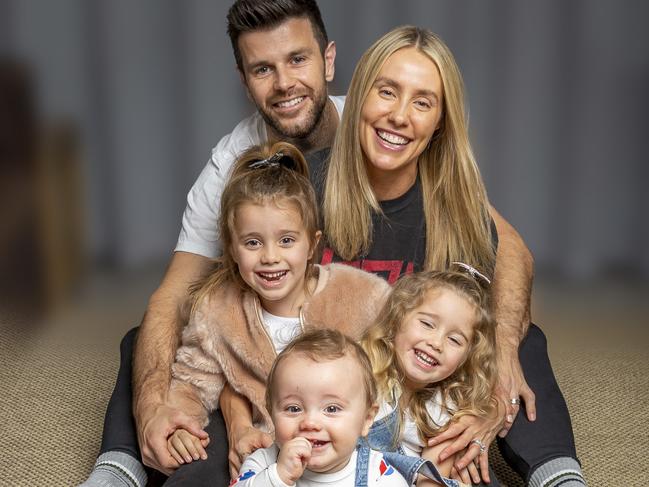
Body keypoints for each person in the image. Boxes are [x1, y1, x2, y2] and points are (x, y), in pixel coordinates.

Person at [78, 1, 572, 486]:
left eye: (422, 102)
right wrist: (205, 413)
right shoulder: (297, 182)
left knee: (520, 339)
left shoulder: (447, 187)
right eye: (387, 93)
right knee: (156, 342)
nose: (399, 115)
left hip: (393, 381)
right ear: (360, 95)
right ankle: (119, 468)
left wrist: (490, 395)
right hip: (293, 379)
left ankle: (559, 475)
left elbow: (508, 259)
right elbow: (211, 308)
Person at [162, 141, 392, 480]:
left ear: (312, 244)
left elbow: (406, 356)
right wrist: (181, 424)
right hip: (270, 455)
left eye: (286, 240)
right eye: (253, 242)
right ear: (233, 249)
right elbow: (191, 382)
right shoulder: (218, 312)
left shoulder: (359, 296)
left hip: (353, 456)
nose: (270, 256)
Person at [362, 268, 498, 485]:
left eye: (454, 340)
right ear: (398, 318)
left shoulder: (447, 406)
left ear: (467, 357)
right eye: (427, 324)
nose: (436, 343)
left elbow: (431, 480)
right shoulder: (361, 371)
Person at [229, 329, 410, 487]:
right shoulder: (262, 463)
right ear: (271, 413)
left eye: (331, 409)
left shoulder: (379, 476)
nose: (310, 423)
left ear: (366, 420)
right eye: (293, 409)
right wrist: (277, 478)